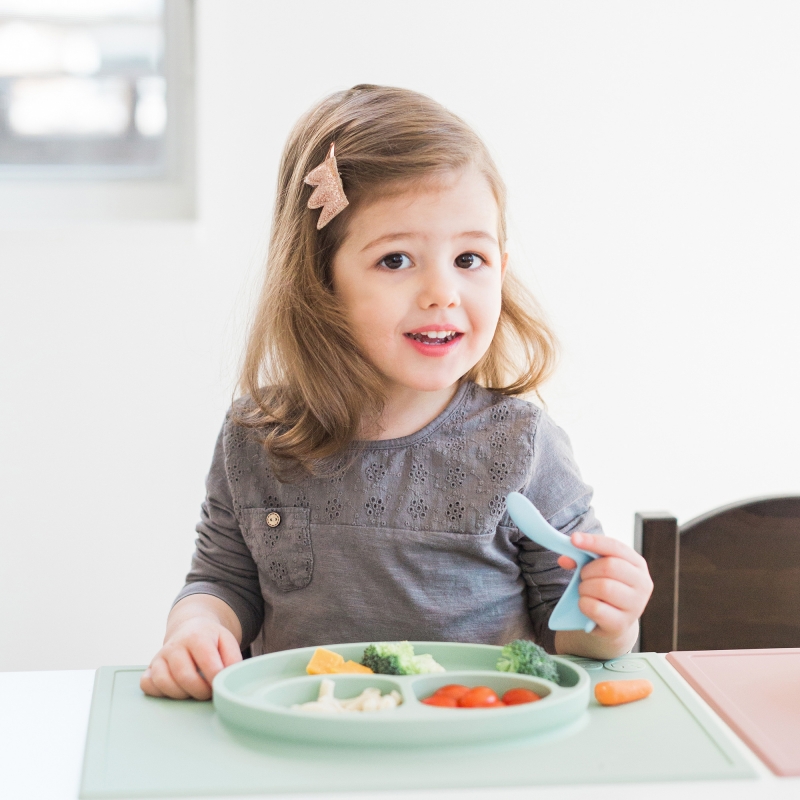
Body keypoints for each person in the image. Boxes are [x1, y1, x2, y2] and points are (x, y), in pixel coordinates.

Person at [141, 85, 653, 701]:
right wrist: (196, 626)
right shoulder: (259, 437)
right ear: (320, 281)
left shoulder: (522, 445)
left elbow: (571, 632)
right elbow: (223, 583)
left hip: (472, 744)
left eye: (469, 258)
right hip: (309, 742)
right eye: (395, 260)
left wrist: (608, 618)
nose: (443, 291)